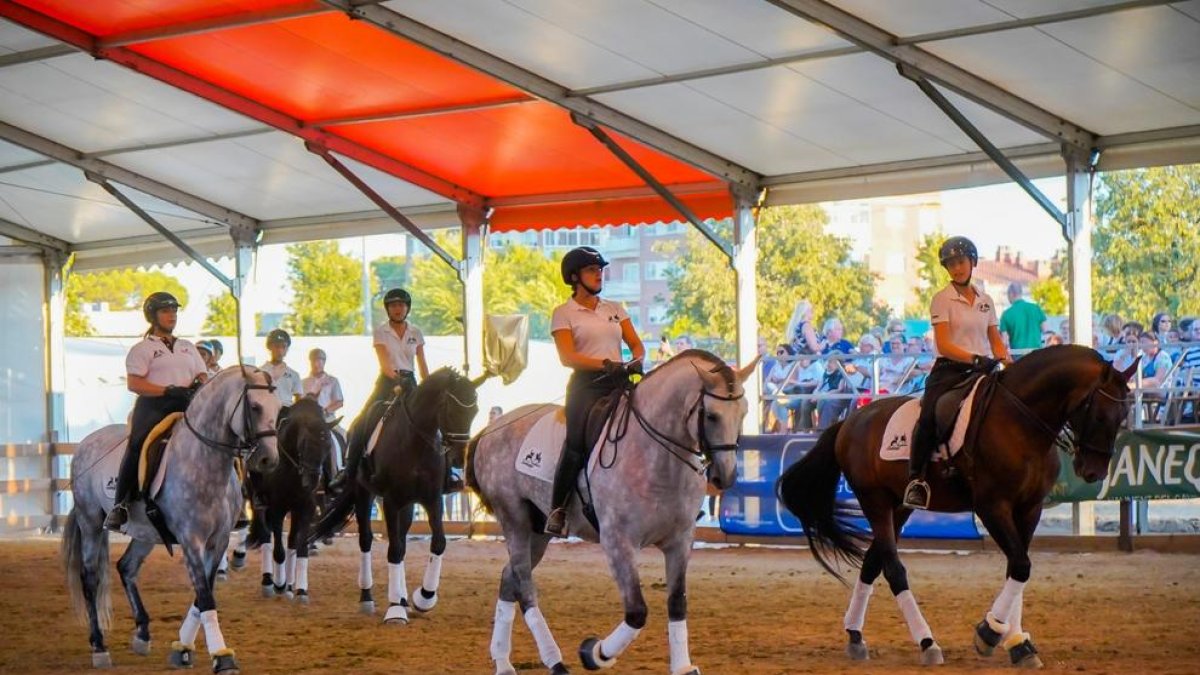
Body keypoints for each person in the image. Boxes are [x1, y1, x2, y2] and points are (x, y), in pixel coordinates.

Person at [904, 236, 1011, 510]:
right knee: (929, 413)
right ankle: (916, 480)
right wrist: (975, 359)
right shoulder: (942, 299)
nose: (957, 268)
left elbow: (995, 339)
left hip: (982, 368)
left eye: (961, 262)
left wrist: (1008, 362)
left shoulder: (986, 301)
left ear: (972, 262)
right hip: (950, 370)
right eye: (951, 264)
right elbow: (944, 344)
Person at [544, 246, 645, 537]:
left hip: (619, 381)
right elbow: (568, 357)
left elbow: (636, 344)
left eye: (600, 270)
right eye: (592, 270)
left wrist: (636, 360)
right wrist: (605, 363)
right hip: (586, 386)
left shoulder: (615, 308)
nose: (599, 274)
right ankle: (558, 509)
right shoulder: (563, 313)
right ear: (575, 277)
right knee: (576, 442)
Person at [104, 292, 208, 531]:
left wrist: (199, 384)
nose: (172, 315)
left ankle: (237, 497)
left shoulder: (187, 347)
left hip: (187, 404)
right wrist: (167, 390)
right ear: (153, 316)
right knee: (138, 444)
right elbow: (134, 383)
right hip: (154, 406)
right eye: (165, 311)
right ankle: (120, 505)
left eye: (174, 311)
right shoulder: (142, 348)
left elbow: (202, 374)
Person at [371, 288, 428, 405]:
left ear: (407, 308)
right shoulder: (381, 332)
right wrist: (399, 381)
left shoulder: (416, 332)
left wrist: (429, 384)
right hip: (388, 380)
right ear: (388, 309)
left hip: (410, 380)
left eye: (401, 305)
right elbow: (385, 366)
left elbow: (422, 365)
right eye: (393, 306)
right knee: (368, 414)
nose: (398, 309)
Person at [999, 282, 1047, 351]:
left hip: (1017, 355)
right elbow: (1046, 331)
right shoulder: (1036, 308)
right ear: (1021, 293)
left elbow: (1004, 342)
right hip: (1036, 354)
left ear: (1011, 294)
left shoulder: (1006, 314)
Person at [261, 329, 302, 408]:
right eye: (276, 346)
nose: (280, 351)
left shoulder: (294, 374)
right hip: (266, 411)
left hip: (287, 413)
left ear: (287, 349)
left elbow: (299, 400)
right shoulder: (260, 372)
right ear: (270, 347)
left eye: (283, 347)